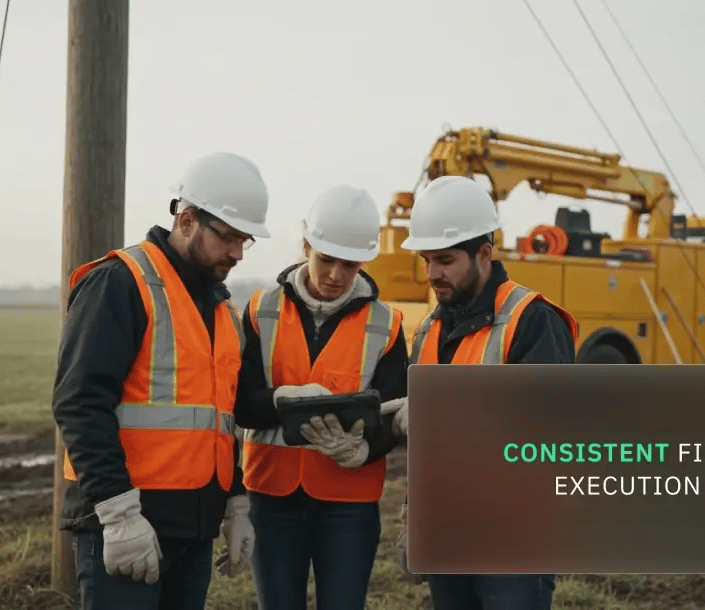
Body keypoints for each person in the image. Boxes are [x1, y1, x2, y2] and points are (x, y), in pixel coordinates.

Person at [52, 152, 271, 610]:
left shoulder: (220, 309)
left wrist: (235, 502)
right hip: (127, 527)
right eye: (228, 236)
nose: (236, 252)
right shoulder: (120, 282)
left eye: (244, 240)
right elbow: (80, 403)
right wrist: (118, 513)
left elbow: (220, 420)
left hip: (192, 529)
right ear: (187, 220)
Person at [392, 175, 578, 610]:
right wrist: (413, 514)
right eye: (426, 260)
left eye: (445, 259)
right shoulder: (431, 329)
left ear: (484, 254)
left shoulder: (532, 320)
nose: (433, 273)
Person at [234, 184, 409, 610]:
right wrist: (280, 398)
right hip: (271, 497)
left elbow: (394, 413)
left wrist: (364, 450)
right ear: (306, 245)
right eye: (325, 259)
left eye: (349, 265)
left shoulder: (387, 324)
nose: (335, 275)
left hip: (348, 505)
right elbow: (241, 403)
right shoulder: (262, 309)